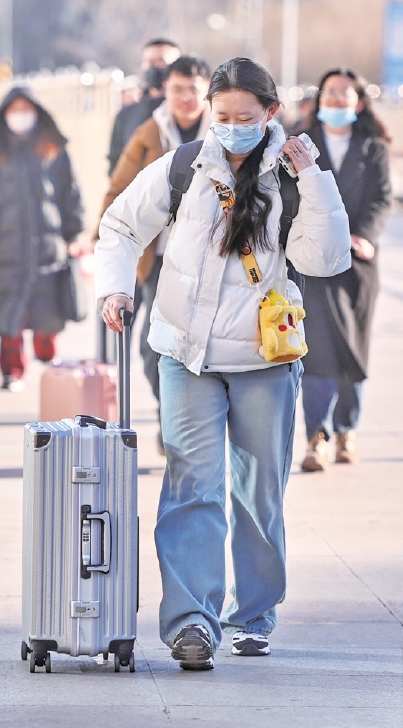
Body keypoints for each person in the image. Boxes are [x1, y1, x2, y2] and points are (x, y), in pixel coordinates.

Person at [94, 57, 351, 670]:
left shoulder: (293, 176)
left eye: (246, 116)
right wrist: (116, 288)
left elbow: (326, 258)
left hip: (264, 359)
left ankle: (254, 615)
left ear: (271, 113)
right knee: (191, 485)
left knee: (260, 492)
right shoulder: (184, 166)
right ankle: (191, 622)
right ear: (210, 111)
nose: (232, 126)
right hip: (185, 354)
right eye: (223, 115)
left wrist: (314, 177)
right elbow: (121, 223)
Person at [99, 54, 212, 454]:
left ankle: (193, 425)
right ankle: (171, 415)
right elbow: (118, 192)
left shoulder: (224, 131)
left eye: (193, 90)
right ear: (165, 89)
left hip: (211, 261)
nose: (185, 97)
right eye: (177, 89)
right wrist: (109, 249)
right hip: (158, 260)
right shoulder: (149, 132)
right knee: (152, 345)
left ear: (206, 93)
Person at [0, 87, 83, 392]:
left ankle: (50, 365)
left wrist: (73, 235)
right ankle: (12, 371)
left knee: (48, 310)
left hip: (49, 247)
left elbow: (71, 196)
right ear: (4, 116)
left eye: (26, 109)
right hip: (8, 249)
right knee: (10, 313)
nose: (20, 116)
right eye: (14, 110)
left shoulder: (54, 151)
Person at [299, 69, 392, 472]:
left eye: (345, 94)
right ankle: (316, 435)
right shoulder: (301, 145)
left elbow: (382, 198)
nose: (337, 100)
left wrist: (364, 236)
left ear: (359, 101)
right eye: (330, 93)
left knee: (353, 347)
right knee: (316, 349)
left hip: (358, 263)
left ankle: (346, 431)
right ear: (319, 100)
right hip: (314, 261)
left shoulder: (373, 148)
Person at [107, 39, 181, 176]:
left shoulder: (188, 112)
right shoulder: (126, 115)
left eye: (162, 62)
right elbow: (115, 162)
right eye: (151, 62)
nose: (156, 67)